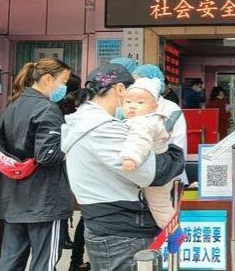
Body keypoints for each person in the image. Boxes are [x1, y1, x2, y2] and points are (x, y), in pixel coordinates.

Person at [61, 64, 185, 271]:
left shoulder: (83, 123)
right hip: (122, 232)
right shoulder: (103, 129)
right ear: (120, 89)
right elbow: (149, 174)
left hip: (107, 224)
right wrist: (173, 154)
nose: (133, 105)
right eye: (131, 96)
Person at [0, 58, 72, 271]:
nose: (64, 88)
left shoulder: (13, 105)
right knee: (44, 263)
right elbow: (48, 156)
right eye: (63, 81)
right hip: (44, 200)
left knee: (10, 261)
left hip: (13, 197)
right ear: (47, 79)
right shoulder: (47, 109)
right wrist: (71, 146)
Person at [120, 77, 176, 229]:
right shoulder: (143, 120)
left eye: (140, 103)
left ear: (154, 107)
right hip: (155, 170)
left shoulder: (145, 122)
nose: (133, 106)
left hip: (156, 173)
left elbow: (140, 140)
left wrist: (131, 157)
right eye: (128, 102)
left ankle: (175, 234)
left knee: (160, 208)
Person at [132, 64, 188, 185]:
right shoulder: (129, 107)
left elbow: (179, 144)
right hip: (136, 171)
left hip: (166, 172)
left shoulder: (172, 109)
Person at [57, 74, 91, 271]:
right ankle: (75, 258)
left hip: (73, 169)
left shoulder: (66, 108)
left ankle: (75, 258)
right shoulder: (71, 110)